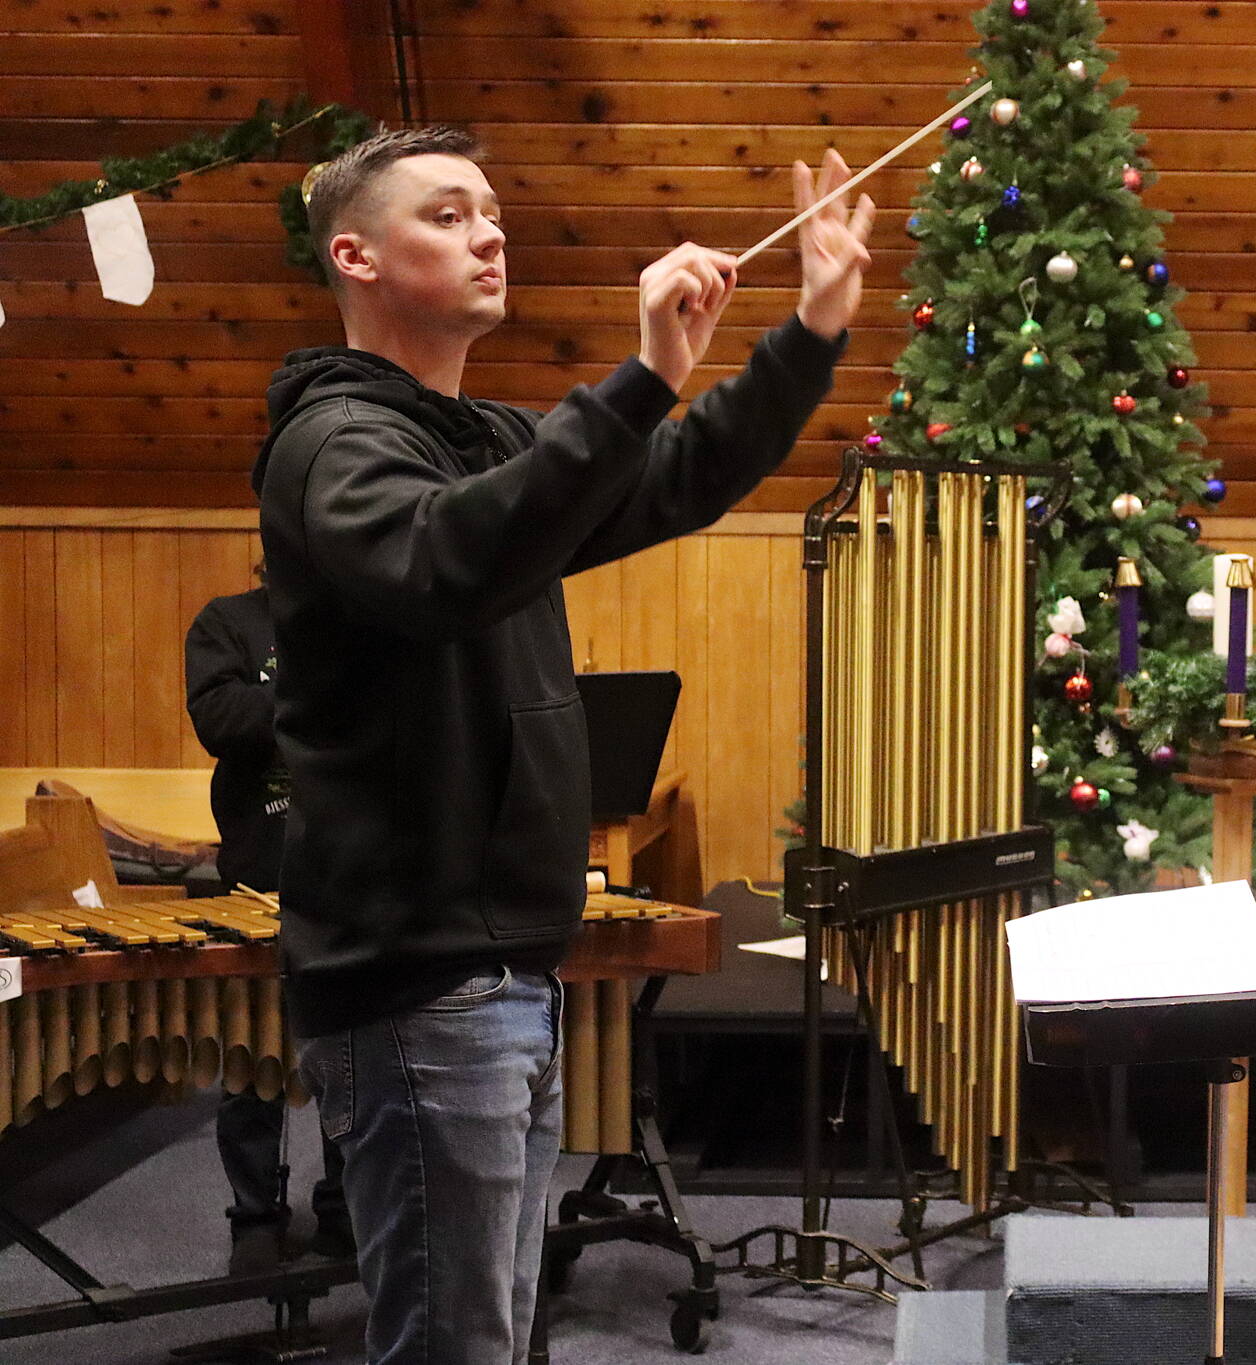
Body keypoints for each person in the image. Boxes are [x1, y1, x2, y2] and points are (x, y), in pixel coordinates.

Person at [254, 124, 871, 1363]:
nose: (487, 233)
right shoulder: (332, 444)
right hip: (422, 977)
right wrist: (640, 377)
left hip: (507, 965)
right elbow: (445, 559)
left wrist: (808, 332)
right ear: (355, 257)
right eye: (445, 214)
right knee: (452, 1344)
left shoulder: (476, 436)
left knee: (498, 1331)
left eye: (490, 211)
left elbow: (674, 474)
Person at [184, 566, 353, 1275]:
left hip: (350, 883)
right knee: (250, 1068)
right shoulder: (226, 622)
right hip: (257, 881)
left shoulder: (362, 614)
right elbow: (218, 719)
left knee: (350, 1062)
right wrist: (312, 687)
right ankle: (255, 1216)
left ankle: (346, 1211)